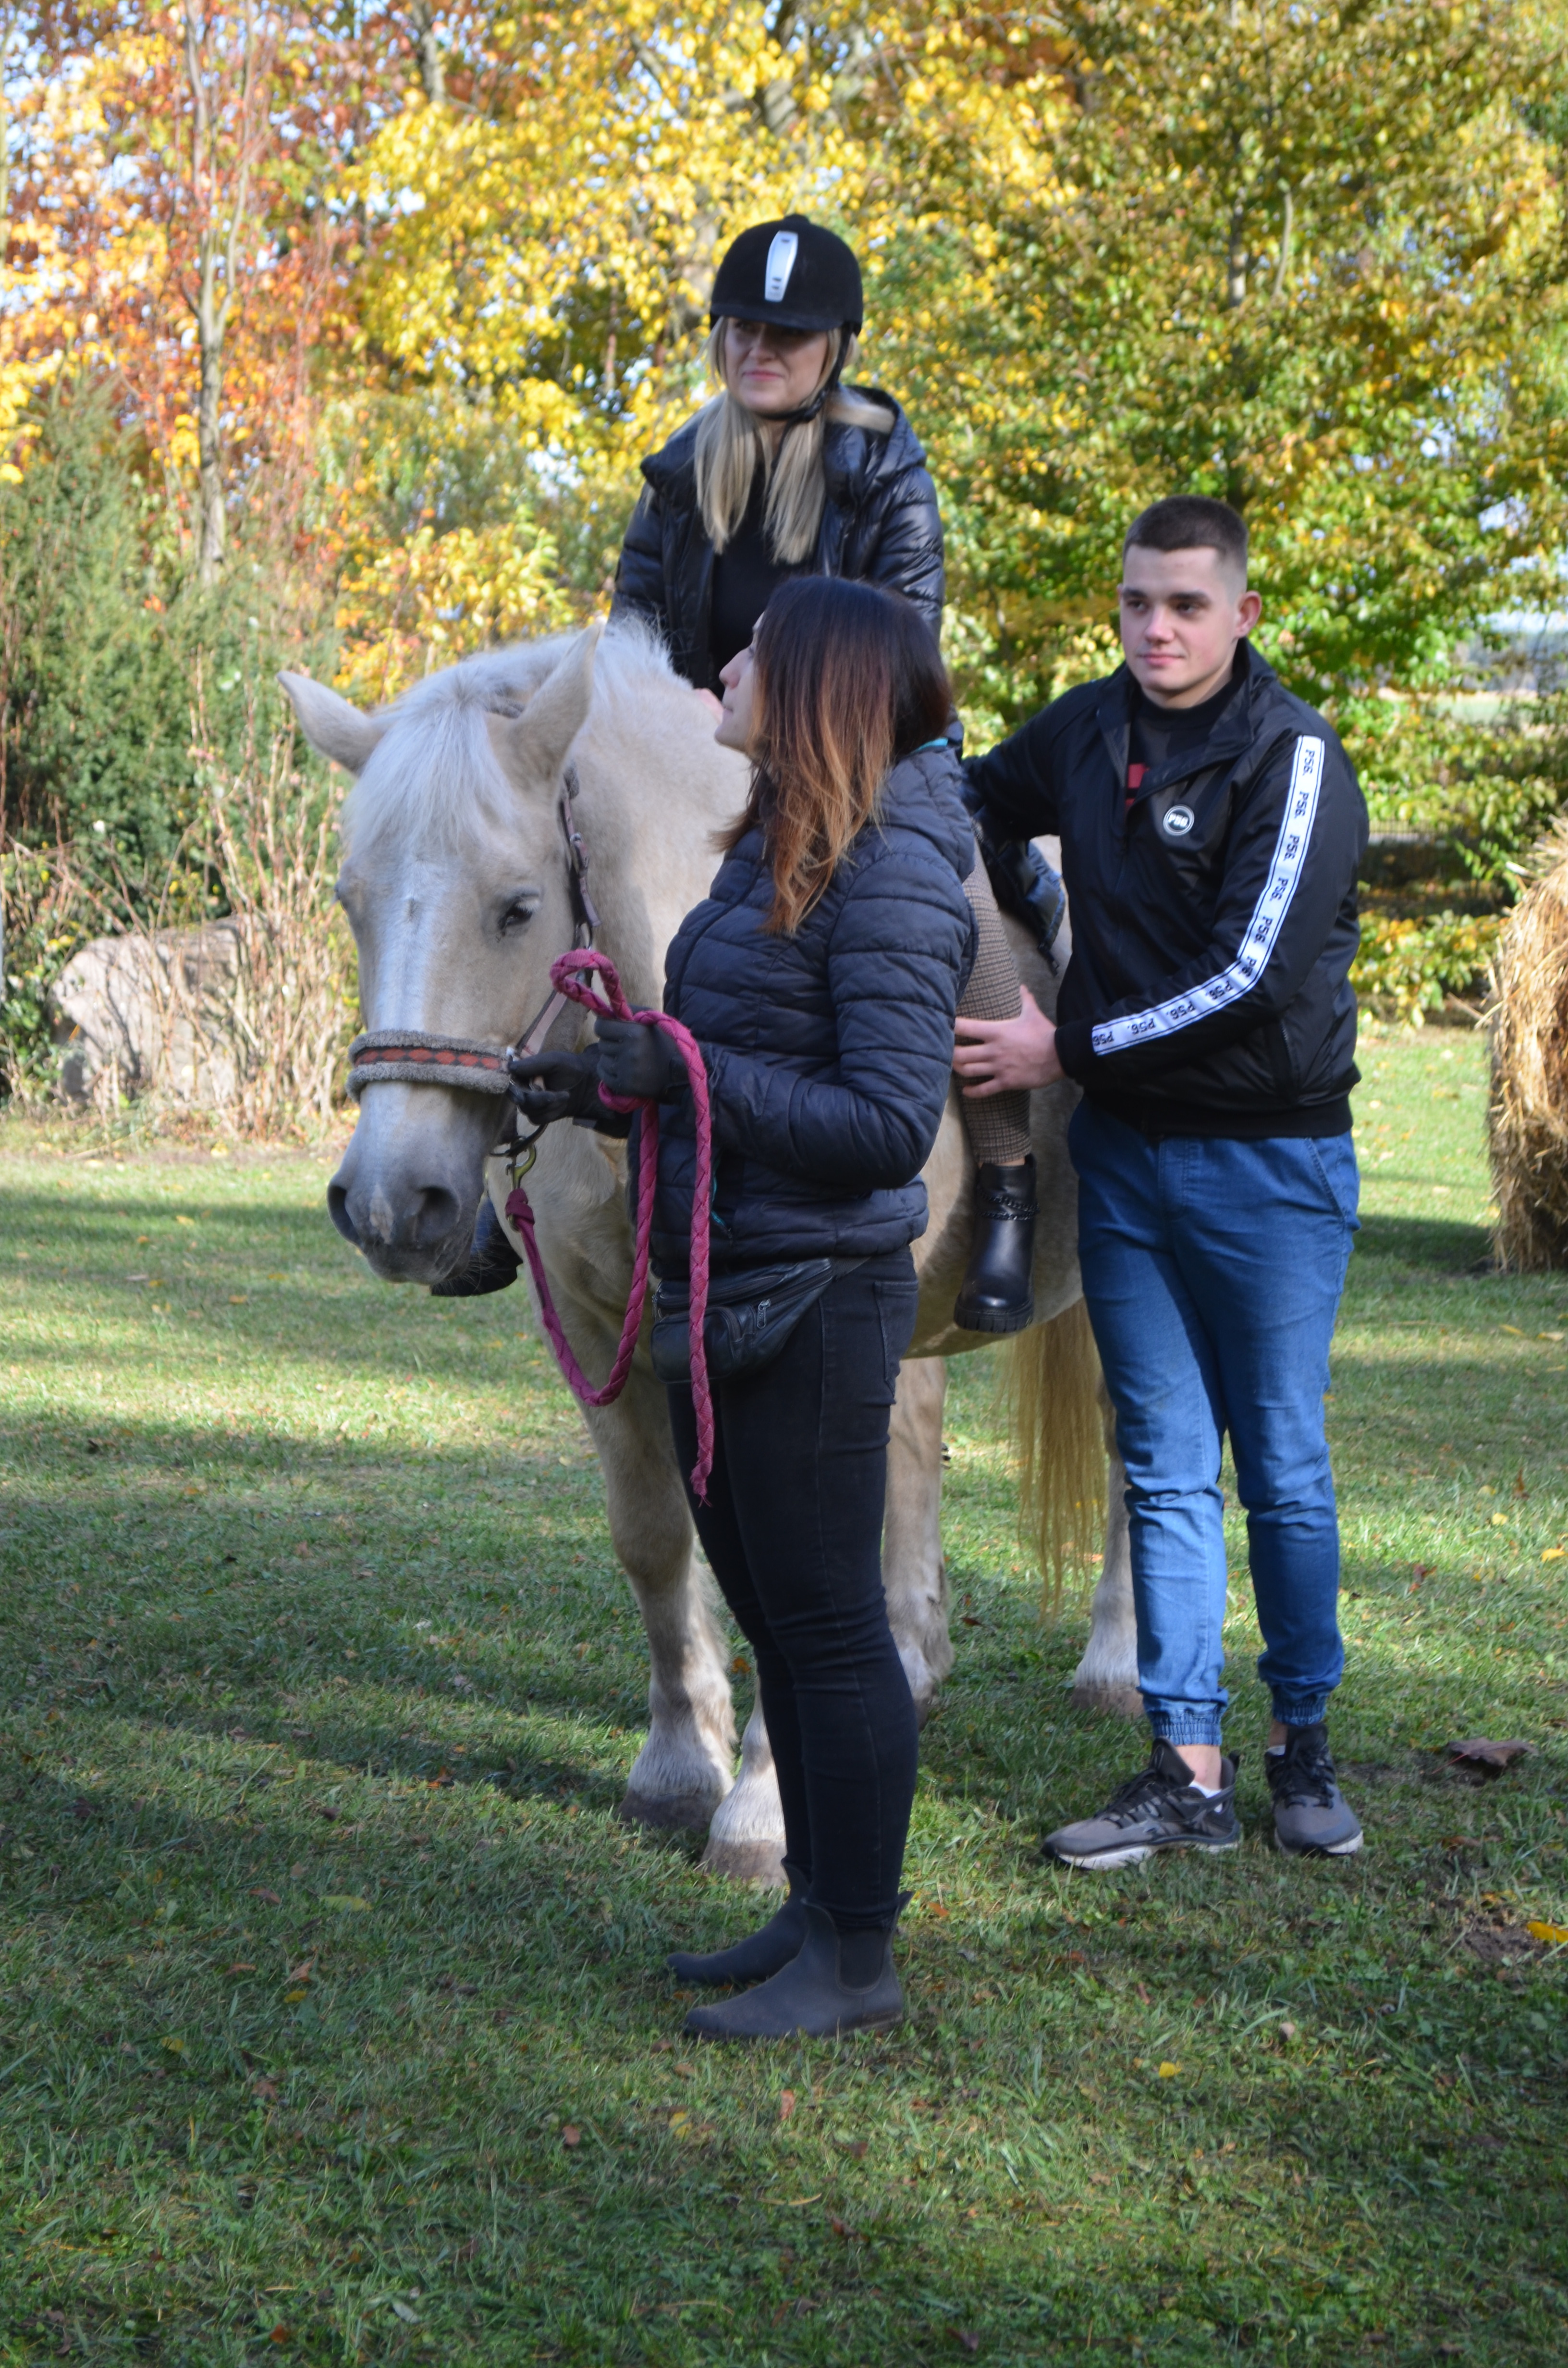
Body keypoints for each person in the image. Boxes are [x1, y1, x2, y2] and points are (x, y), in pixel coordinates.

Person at [510, 576, 976, 2037]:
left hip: (820, 1298)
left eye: (757, 654)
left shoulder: (895, 872)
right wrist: (603, 1089)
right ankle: (814, 1912)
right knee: (782, 1619)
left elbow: (887, 1124)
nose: (723, 666)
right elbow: (723, 1066)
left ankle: (859, 1957)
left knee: (829, 1630)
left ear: (823, 683)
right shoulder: (772, 844)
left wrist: (688, 1075)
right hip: (729, 1282)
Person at [955, 495, 1369, 1866]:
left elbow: (1251, 979)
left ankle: (1300, 1744)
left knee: (1283, 1467)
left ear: (1242, 612)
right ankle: (1186, 1769)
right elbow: (963, 797)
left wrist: (1061, 1047)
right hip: (1124, 1163)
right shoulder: (1084, 731)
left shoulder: (1295, 758)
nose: (1157, 628)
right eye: (1137, 602)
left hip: (1269, 1165)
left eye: (1187, 604)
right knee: (1166, 1469)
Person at [606, 211, 1041, 1333]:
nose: (761, 350)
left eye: (788, 335)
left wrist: (772, 717)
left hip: (871, 753)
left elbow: (904, 649)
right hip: (708, 748)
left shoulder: (886, 466)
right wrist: (672, 705)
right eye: (743, 328)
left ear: (835, 347)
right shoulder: (676, 475)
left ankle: (1007, 1180)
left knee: (961, 891)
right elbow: (630, 635)